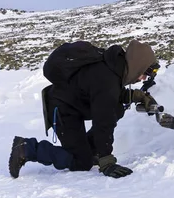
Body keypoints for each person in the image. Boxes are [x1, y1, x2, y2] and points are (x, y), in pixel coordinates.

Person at [9, 40, 158, 179]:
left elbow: (103, 94)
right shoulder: (107, 79)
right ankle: (27, 148)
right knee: (81, 162)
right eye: (145, 73)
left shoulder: (114, 67)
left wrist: (136, 96)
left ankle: (91, 151)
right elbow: (103, 121)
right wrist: (107, 160)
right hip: (62, 109)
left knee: (116, 108)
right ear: (138, 65)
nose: (144, 78)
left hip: (74, 105)